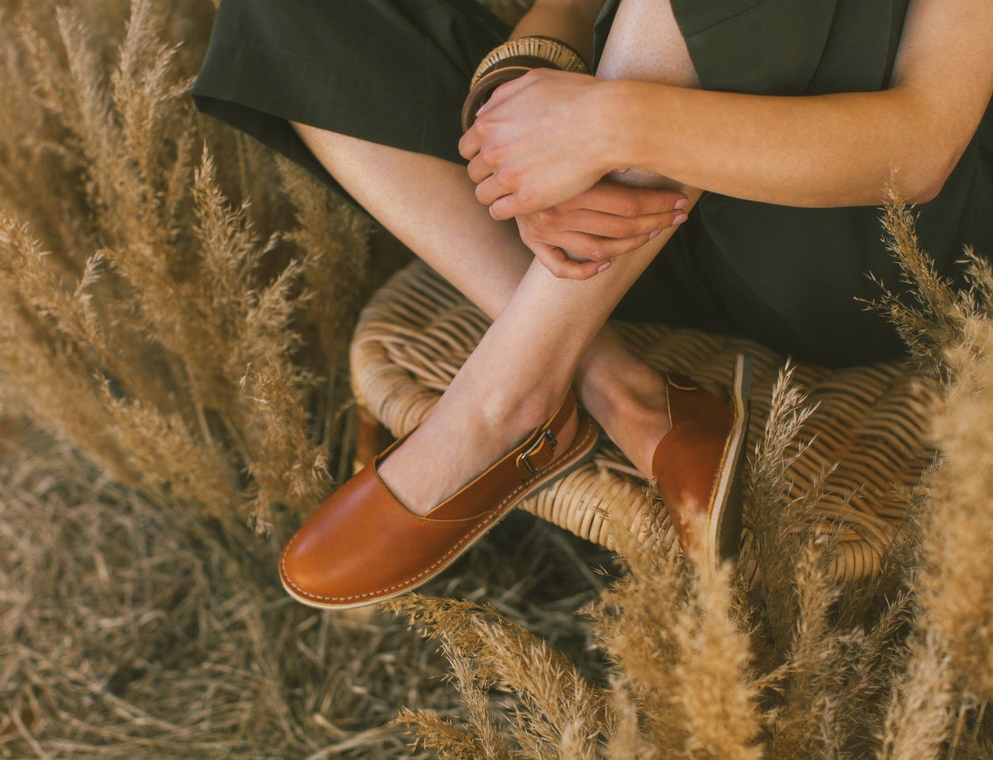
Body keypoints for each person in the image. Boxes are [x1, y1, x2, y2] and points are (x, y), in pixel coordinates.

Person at [193, 0, 993, 609]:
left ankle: (503, 402)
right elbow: (575, 8)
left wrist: (605, 127)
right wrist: (520, 129)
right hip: (653, 233)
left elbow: (921, 144)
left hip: (852, 251)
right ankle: (614, 387)